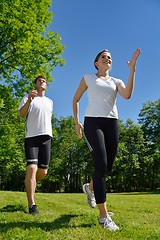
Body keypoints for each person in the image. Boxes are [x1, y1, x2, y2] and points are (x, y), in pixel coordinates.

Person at [72, 48, 141, 230]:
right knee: (101, 165)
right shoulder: (88, 78)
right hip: (93, 123)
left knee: (107, 167)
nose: (107, 59)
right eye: (103, 57)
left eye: (109, 57)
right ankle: (103, 217)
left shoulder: (116, 81)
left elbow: (127, 95)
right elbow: (75, 100)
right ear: (96, 63)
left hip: (111, 124)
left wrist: (132, 69)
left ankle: (90, 187)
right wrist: (77, 122)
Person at [18, 75, 53, 214]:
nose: (42, 82)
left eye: (44, 81)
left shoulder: (50, 102)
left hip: (46, 138)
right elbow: (21, 114)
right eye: (39, 80)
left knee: (43, 172)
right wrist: (29, 100)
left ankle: (28, 183)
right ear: (35, 84)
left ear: (46, 85)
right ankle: (32, 205)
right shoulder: (28, 98)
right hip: (31, 137)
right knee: (32, 168)